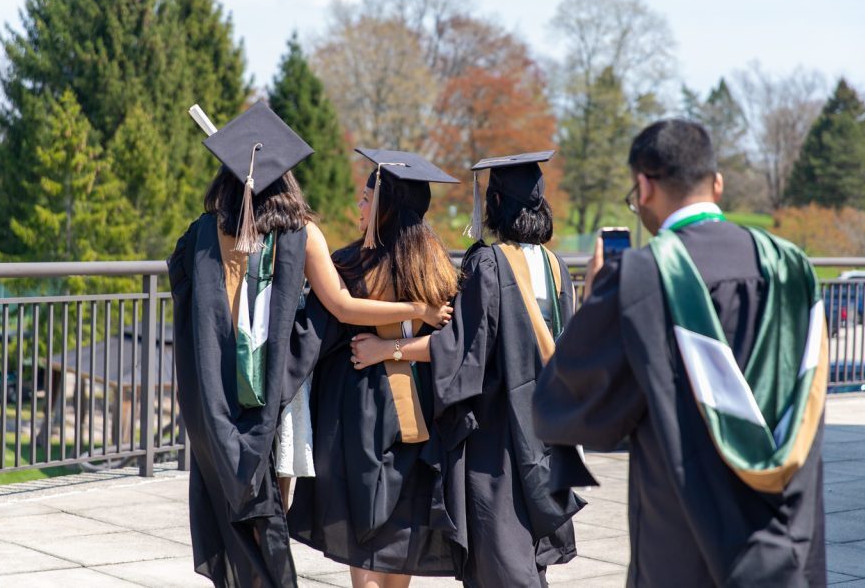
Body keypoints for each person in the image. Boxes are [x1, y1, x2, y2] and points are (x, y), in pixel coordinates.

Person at [169, 103, 451, 588]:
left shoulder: (198, 235)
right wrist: (416, 313)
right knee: (269, 505)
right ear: (286, 180)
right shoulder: (302, 234)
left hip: (212, 393)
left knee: (224, 506)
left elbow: (184, 293)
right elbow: (341, 308)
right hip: (270, 390)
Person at [533, 119, 827, 586]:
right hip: (790, 537)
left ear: (644, 187)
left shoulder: (641, 277)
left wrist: (595, 301)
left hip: (685, 543)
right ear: (717, 182)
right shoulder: (792, 268)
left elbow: (571, 408)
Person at [350, 150, 590, 588]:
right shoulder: (556, 268)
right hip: (544, 427)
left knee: (499, 550)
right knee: (528, 543)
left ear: (496, 204)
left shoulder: (489, 263)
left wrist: (389, 348)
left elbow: (458, 348)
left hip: (497, 431)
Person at [287, 149, 461, 588]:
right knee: (404, 524)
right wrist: (398, 345)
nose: (359, 207)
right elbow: (456, 344)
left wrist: (382, 347)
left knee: (360, 526)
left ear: (385, 205)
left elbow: (316, 335)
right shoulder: (441, 270)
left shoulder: (348, 264)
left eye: (367, 199)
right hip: (419, 412)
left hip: (358, 410)